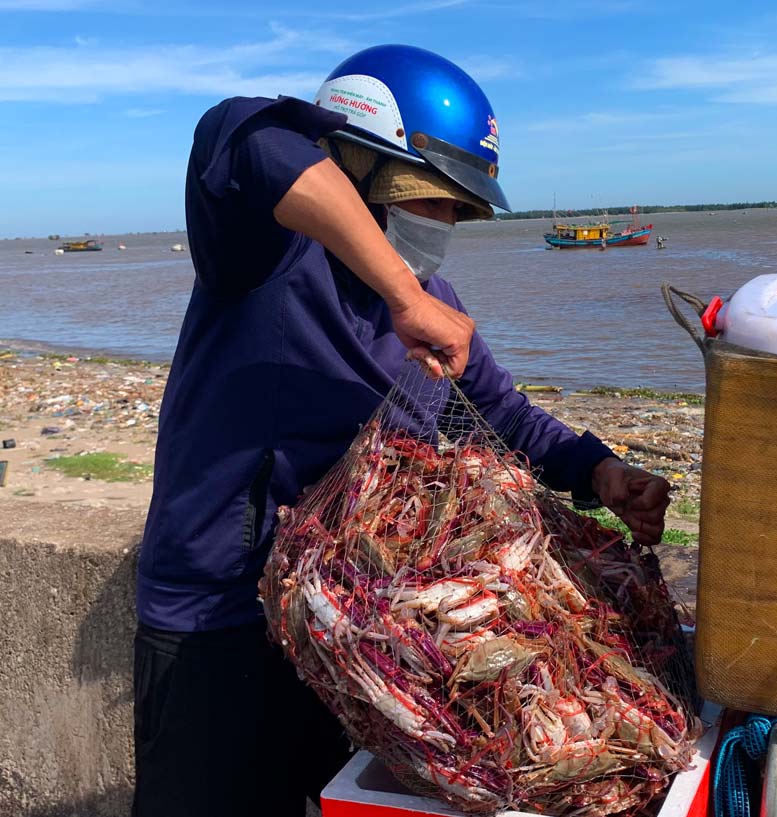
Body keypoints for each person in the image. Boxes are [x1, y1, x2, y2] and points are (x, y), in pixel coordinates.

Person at [133, 44, 671, 817]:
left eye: (458, 209)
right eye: (432, 199)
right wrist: (398, 291)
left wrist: (600, 473)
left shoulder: (435, 303)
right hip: (220, 622)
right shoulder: (263, 253)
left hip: (355, 636)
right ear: (357, 162)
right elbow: (248, 137)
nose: (444, 224)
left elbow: (504, 417)